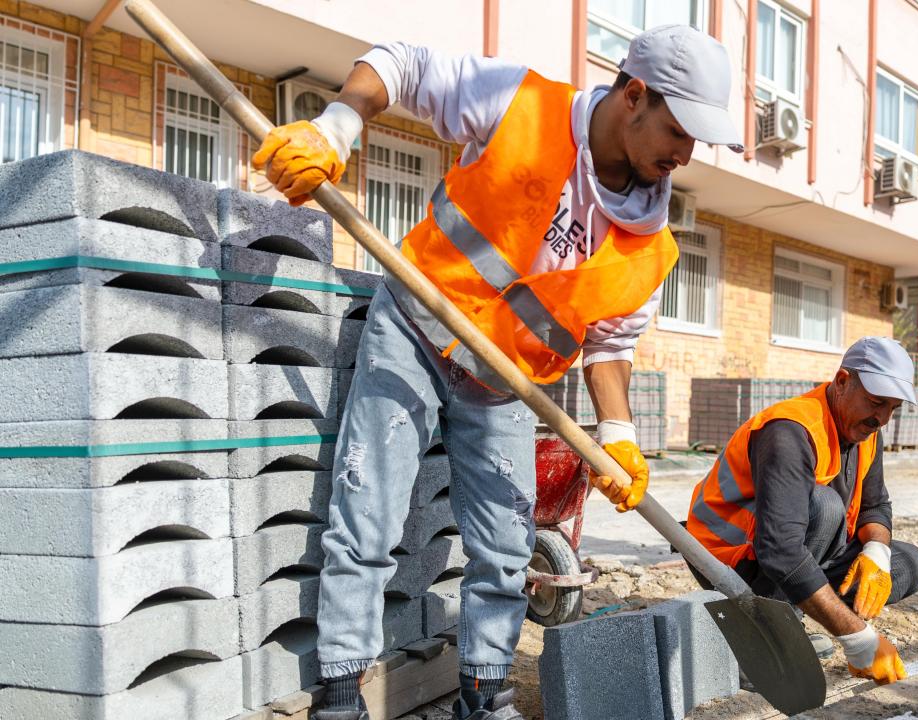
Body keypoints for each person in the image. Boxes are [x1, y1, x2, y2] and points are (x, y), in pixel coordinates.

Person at [251, 24, 742, 720]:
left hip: (506, 380)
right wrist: (336, 126)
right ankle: (339, 694)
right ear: (634, 95)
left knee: (507, 547)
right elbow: (401, 63)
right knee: (368, 513)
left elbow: (610, 346)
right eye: (679, 130)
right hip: (416, 326)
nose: (685, 154)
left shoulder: (650, 248)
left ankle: (484, 697)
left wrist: (619, 432)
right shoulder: (522, 105)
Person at [685, 337, 918, 686]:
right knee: (825, 507)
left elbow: (875, 506)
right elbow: (780, 550)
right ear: (842, 381)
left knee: (910, 564)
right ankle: (760, 641)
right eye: (877, 402)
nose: (883, 418)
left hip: (799, 548)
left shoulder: (866, 431)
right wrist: (858, 637)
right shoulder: (789, 431)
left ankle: (792, 615)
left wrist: (876, 553)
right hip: (731, 559)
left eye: (894, 408)